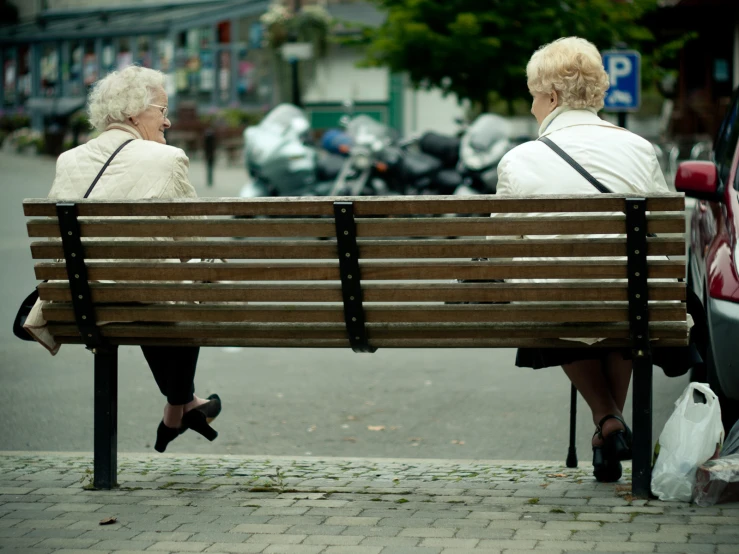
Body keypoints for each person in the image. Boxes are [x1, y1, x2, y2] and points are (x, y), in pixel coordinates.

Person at [495, 37, 669, 482]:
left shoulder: (518, 160)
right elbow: (662, 237)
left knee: (557, 292)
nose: (533, 107)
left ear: (551, 96)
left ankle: (607, 419)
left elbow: (502, 247)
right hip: (631, 303)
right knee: (627, 295)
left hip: (556, 307)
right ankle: (609, 423)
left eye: (534, 96)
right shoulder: (640, 148)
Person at [45, 65, 221, 453]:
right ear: (133, 113)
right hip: (146, 301)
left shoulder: (68, 160)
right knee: (179, 285)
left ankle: (181, 408)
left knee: (142, 285)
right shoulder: (166, 159)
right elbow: (197, 244)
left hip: (83, 303)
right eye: (162, 110)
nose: (168, 120)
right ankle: (181, 404)